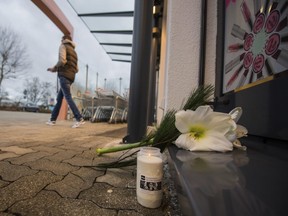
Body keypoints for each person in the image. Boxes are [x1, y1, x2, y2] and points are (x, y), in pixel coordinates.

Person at [46, 35, 85, 128]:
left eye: (61, 40)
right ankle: (53, 119)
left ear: (64, 40)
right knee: (59, 99)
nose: (60, 41)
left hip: (64, 76)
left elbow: (62, 61)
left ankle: (79, 118)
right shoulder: (74, 52)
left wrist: (54, 68)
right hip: (71, 77)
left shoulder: (63, 46)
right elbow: (77, 69)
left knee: (68, 97)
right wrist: (70, 72)